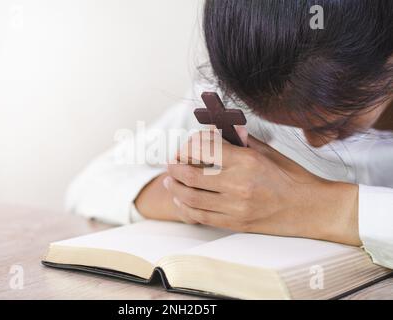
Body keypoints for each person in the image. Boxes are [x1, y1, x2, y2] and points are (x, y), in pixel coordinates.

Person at [66, 0, 393, 269]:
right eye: (291, 125)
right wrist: (200, 199)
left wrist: (320, 208)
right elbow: (90, 183)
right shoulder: (240, 94)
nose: (315, 142)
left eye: (335, 122)